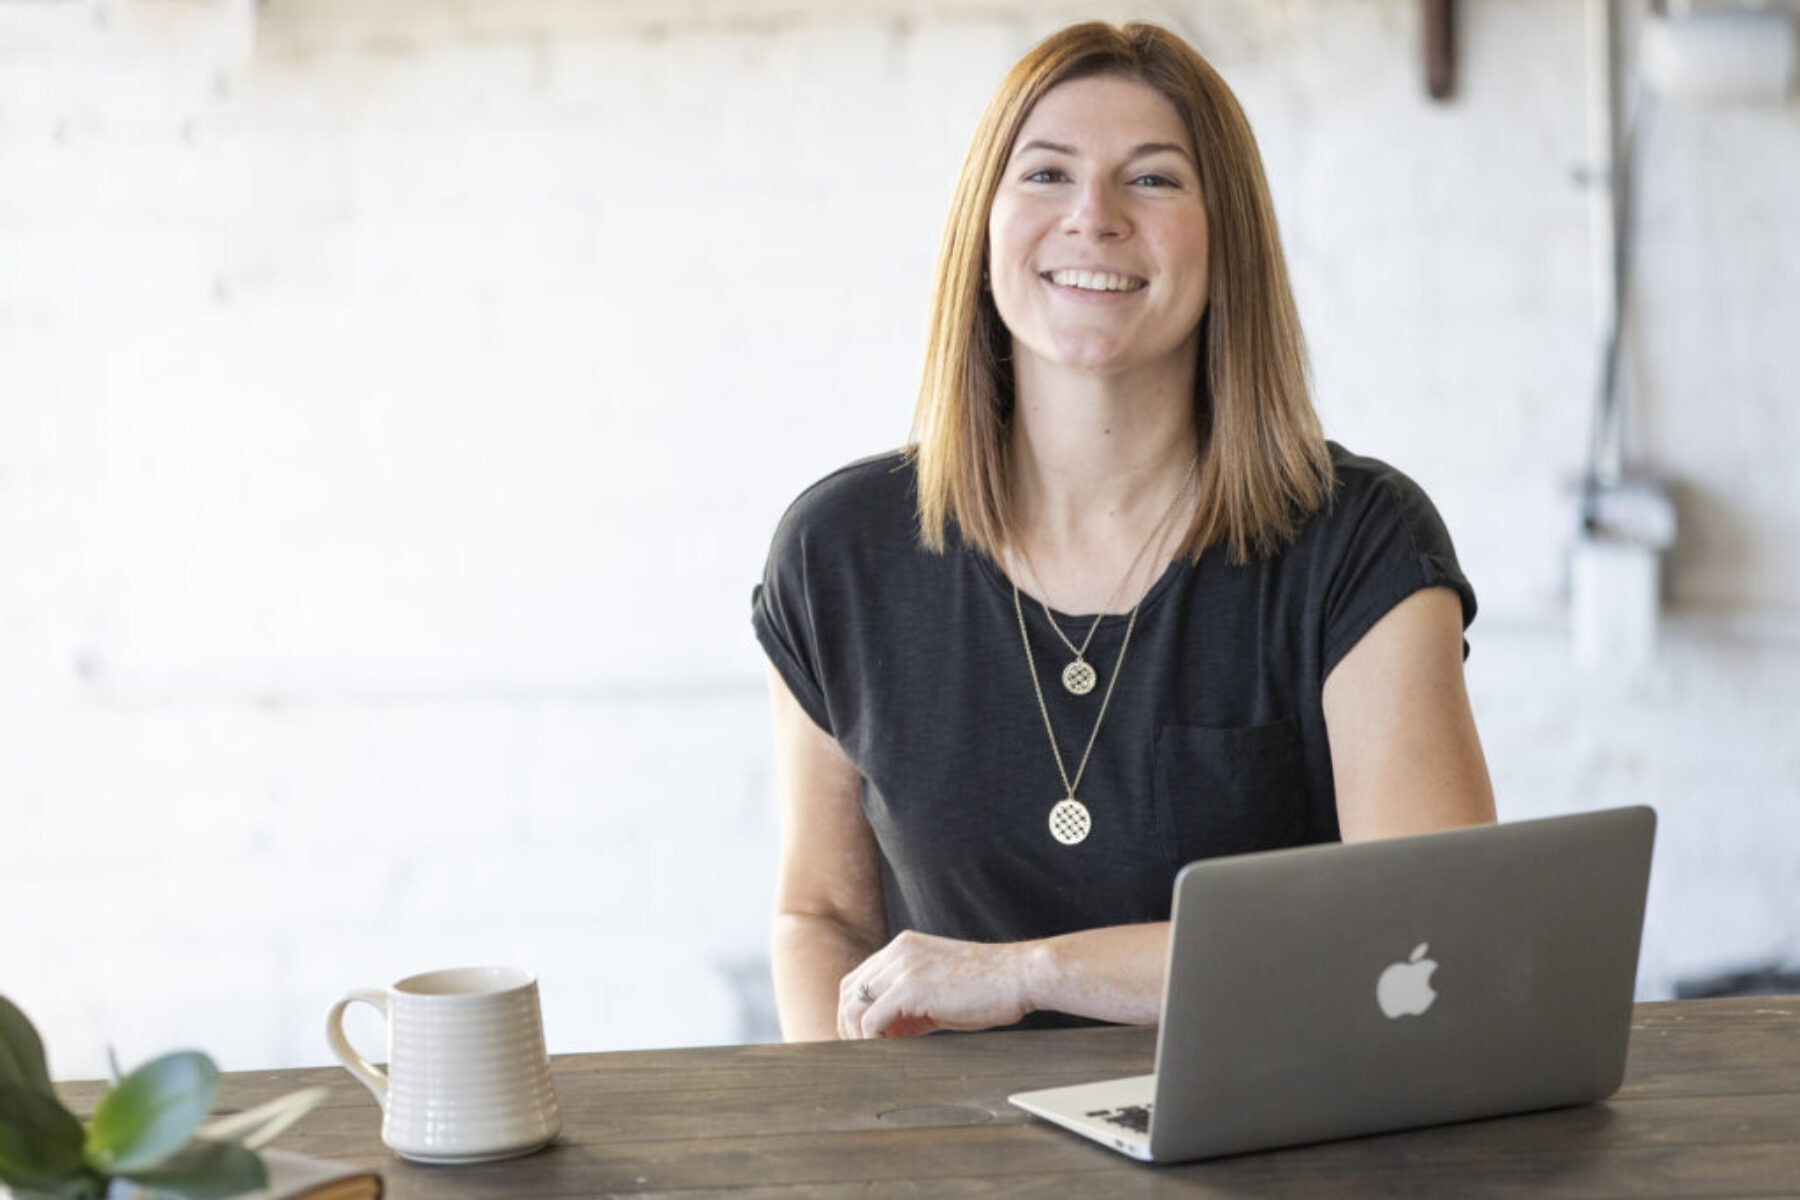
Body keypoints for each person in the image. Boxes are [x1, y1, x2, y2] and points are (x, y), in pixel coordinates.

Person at [751, 20, 1496, 1043]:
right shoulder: (840, 552)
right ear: (983, 228)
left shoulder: (1359, 545)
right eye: (1047, 174)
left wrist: (1034, 973)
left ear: (1225, 240)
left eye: (1151, 181)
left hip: (1275, 1153)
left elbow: (1425, 933)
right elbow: (821, 915)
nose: (1092, 217)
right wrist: (852, 1133)